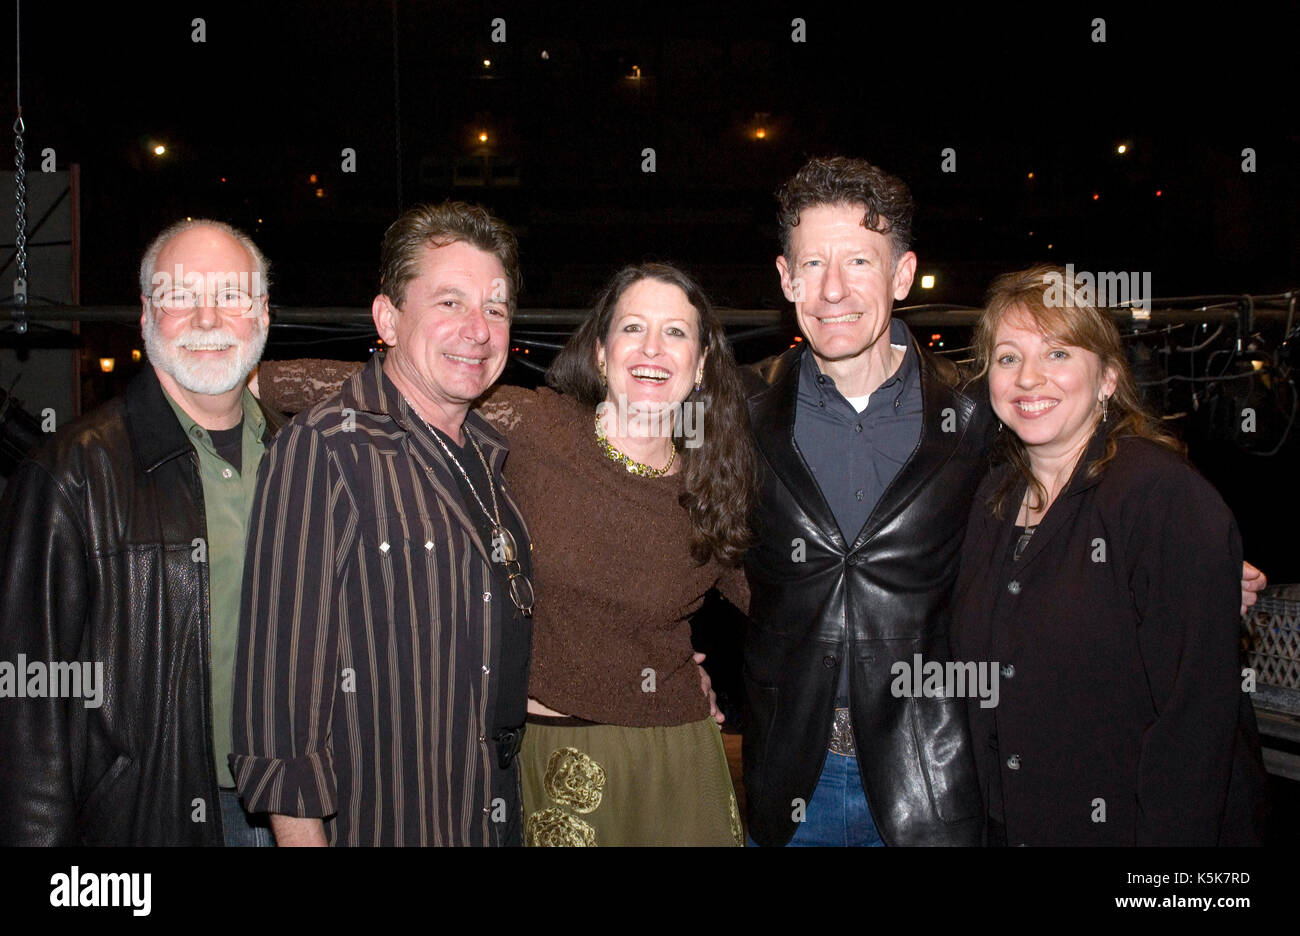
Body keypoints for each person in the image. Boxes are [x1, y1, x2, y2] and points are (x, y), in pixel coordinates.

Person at [738, 156, 1268, 847]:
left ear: (902, 275)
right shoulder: (738, 407)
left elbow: (1105, 537)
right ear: (785, 278)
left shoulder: (976, 416)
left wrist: (1198, 574)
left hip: (937, 783)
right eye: (812, 265)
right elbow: (694, 540)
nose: (833, 289)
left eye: (860, 263)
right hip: (791, 780)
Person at [230, 202, 535, 846]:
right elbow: (280, 702)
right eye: (449, 302)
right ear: (388, 319)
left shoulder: (487, 457)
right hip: (387, 823)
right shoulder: (327, 447)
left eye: (496, 308)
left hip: (488, 812)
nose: (478, 330)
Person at [950, 265, 1270, 846]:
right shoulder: (993, 500)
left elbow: (1196, 725)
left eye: (1058, 354)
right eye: (1007, 358)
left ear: (1108, 378)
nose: (1028, 379)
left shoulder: (1161, 498)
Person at [0, 219, 280, 845]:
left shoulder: (305, 459)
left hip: (300, 810)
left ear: (261, 312)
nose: (208, 318)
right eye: (181, 296)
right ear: (148, 314)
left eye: (231, 295)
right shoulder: (71, 475)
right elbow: (27, 712)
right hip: (149, 820)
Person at [477, 262, 755, 846]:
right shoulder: (536, 426)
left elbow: (789, 608)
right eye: (633, 328)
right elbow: (412, 390)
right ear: (601, 352)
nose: (653, 348)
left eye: (676, 333)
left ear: (701, 364)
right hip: (552, 756)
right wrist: (245, 386)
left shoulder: (716, 482)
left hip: (676, 757)